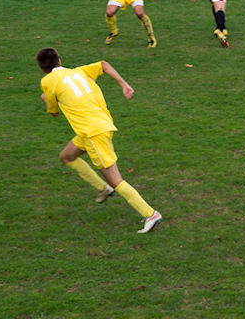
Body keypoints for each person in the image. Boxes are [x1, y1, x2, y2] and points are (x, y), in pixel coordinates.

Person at [36, 47, 162, 233]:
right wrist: (124, 85)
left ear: (42, 69)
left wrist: (47, 100)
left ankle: (150, 213)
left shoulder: (47, 81)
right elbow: (103, 64)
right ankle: (103, 188)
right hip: (97, 126)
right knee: (67, 156)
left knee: (115, 179)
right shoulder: (78, 71)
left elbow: (54, 113)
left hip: (93, 133)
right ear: (60, 60)